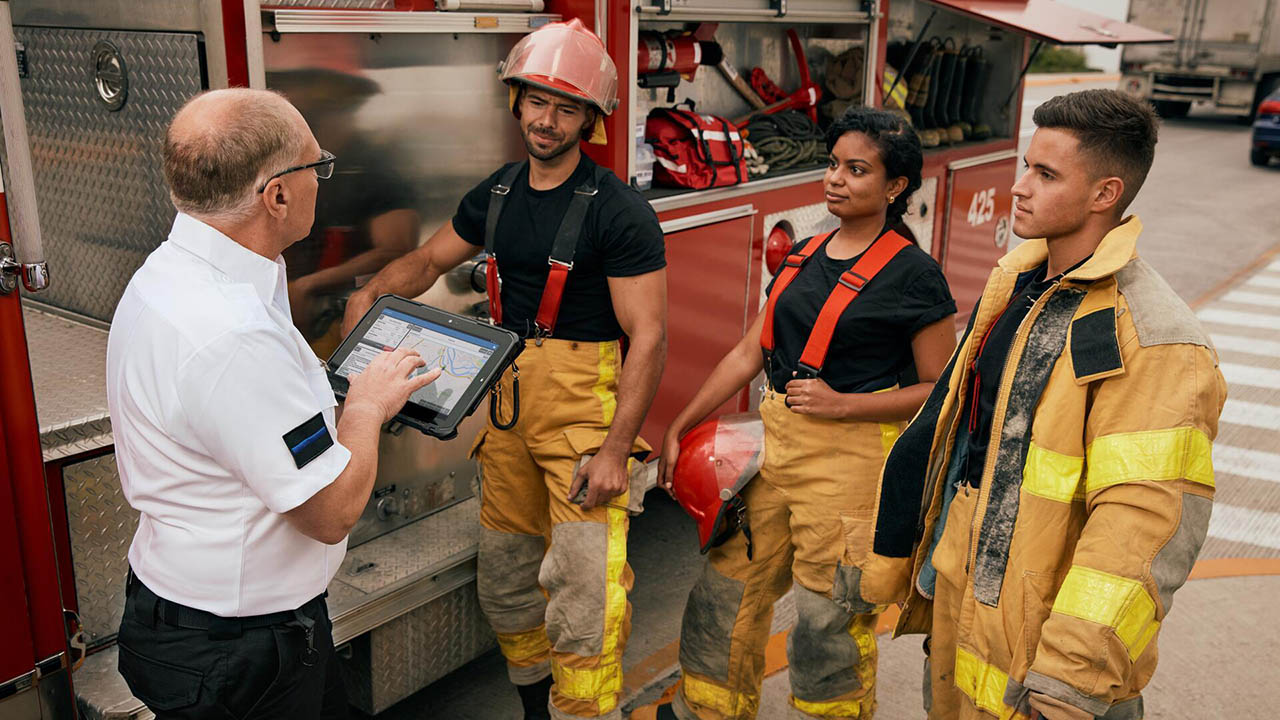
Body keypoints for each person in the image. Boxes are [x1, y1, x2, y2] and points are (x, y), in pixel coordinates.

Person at [850, 89, 1227, 719]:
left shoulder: (1155, 338)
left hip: (1047, 665)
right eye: (1026, 166)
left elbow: (1140, 530)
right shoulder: (1019, 283)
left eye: (1045, 174)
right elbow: (961, 445)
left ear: (1105, 194)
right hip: (966, 615)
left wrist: (1070, 683)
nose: (1018, 187)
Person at [339, 19, 667, 720]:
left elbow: (650, 337)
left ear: (591, 119)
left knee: (584, 596)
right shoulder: (496, 194)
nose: (547, 120)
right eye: (536, 100)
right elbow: (427, 262)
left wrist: (615, 451)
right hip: (508, 414)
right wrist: (372, 292)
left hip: (583, 420)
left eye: (567, 106)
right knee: (509, 586)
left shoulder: (620, 214)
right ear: (515, 100)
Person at [106, 88, 440, 720]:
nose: (323, 181)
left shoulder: (174, 274)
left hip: (201, 620)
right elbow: (330, 512)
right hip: (239, 652)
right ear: (277, 194)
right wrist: (366, 407)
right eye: (319, 167)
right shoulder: (230, 333)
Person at [651, 106, 958, 720]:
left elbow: (938, 389)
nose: (834, 179)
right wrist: (679, 424)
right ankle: (706, 711)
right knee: (726, 592)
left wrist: (846, 405)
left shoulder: (915, 278)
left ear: (895, 187)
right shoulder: (803, 255)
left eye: (856, 169)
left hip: (850, 467)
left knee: (829, 621)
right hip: (775, 451)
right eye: (832, 164)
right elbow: (747, 351)